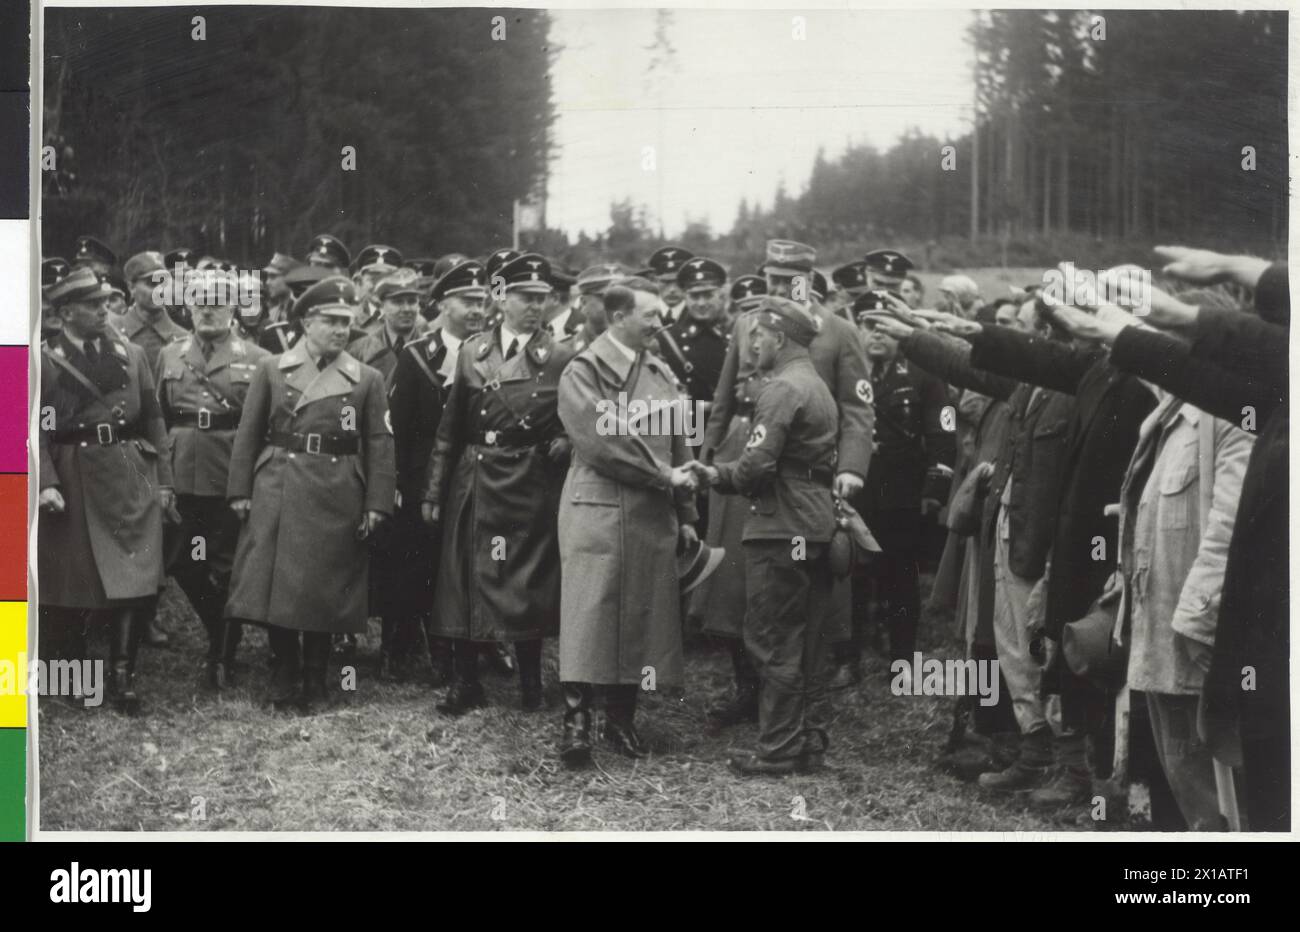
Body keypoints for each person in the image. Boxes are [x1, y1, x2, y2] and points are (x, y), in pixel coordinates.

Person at [698, 239, 872, 721]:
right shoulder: (745, 324)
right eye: (770, 280)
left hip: (803, 475)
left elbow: (858, 408)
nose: (776, 290)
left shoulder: (838, 332)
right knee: (737, 584)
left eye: (787, 281)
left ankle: (798, 698)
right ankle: (747, 688)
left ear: (809, 280)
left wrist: (852, 468)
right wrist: (710, 457)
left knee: (799, 589)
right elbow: (723, 399)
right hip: (747, 463)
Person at [225, 277, 395, 713]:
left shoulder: (367, 378)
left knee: (324, 585)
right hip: (279, 482)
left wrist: (377, 502)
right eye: (331, 321)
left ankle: (317, 676)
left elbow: (378, 441)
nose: (341, 330)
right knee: (276, 583)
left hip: (337, 490)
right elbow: (248, 433)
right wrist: (239, 490)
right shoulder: (272, 368)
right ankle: (285, 670)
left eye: (346, 322)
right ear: (305, 321)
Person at [421, 253, 576, 715]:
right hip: (477, 475)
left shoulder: (562, 356)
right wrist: (434, 490)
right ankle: (467, 681)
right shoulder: (473, 351)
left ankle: (531, 682)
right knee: (467, 578)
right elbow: (449, 429)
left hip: (529, 479)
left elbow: (581, 416)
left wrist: (566, 438)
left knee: (523, 579)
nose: (535, 306)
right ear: (501, 298)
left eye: (542, 298)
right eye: (526, 297)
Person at [554, 280, 701, 765]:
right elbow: (602, 441)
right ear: (618, 317)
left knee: (642, 611)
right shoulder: (584, 369)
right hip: (597, 506)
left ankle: (620, 719)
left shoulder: (659, 369)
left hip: (651, 510)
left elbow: (681, 440)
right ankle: (575, 723)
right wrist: (663, 475)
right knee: (588, 612)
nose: (659, 323)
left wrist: (687, 514)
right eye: (649, 315)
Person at [691, 296, 838, 775]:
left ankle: (777, 749)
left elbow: (756, 465)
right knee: (807, 638)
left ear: (780, 338)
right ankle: (806, 740)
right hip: (814, 524)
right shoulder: (815, 385)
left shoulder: (780, 389)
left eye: (759, 334)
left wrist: (715, 475)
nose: (752, 343)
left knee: (773, 636)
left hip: (779, 525)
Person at [38, 268, 175, 715]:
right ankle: (76, 675)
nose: (104, 310)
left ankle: (123, 675)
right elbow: (26, 431)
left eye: (104, 302)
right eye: (93, 304)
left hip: (126, 472)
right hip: (72, 475)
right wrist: (46, 483)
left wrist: (166, 481)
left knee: (133, 575)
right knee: (73, 583)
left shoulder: (131, 353)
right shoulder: (41, 361)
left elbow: (154, 420)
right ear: (64, 313)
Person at [155, 270, 270, 688]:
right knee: (186, 563)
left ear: (234, 307)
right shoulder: (170, 355)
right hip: (183, 474)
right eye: (200, 299)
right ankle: (220, 630)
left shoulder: (257, 358)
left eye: (218, 300)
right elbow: (158, 418)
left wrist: (249, 481)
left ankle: (221, 652)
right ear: (187, 306)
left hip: (229, 475)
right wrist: (161, 478)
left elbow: (262, 426)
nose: (208, 308)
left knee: (225, 564)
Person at [840, 291, 955, 680]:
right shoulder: (844, 372)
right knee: (849, 574)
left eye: (884, 326)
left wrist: (935, 489)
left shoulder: (924, 374)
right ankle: (847, 657)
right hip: (852, 490)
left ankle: (902, 657)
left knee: (900, 576)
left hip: (902, 492)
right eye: (868, 325)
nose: (876, 335)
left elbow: (943, 432)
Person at [385, 259, 489, 684]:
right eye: (468, 301)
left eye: (482, 301)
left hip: (475, 475)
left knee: (468, 563)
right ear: (444, 304)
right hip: (420, 476)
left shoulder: (491, 353)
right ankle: (399, 647)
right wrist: (397, 482)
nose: (477, 310)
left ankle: (465, 649)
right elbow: (398, 426)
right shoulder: (417, 356)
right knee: (413, 562)